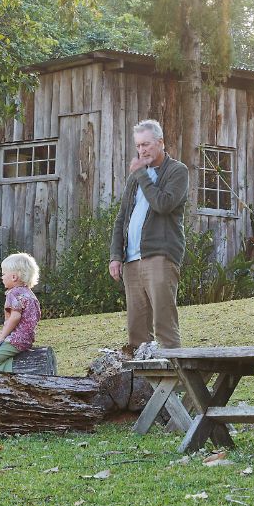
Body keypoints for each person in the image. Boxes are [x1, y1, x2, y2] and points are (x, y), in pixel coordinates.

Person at [109, 118, 188, 357]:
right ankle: (143, 391)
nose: (142, 150)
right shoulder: (136, 177)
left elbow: (163, 204)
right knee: (136, 331)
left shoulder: (177, 171)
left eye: (147, 145)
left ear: (161, 143)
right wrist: (115, 256)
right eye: (138, 146)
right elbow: (121, 218)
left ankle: (176, 385)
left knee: (164, 325)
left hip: (160, 256)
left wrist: (142, 175)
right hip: (131, 260)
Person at [0, 252, 41, 372]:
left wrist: (2, 337)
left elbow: (15, 317)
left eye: (3, 274)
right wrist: (2, 332)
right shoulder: (30, 294)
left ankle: (10, 377)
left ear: (14, 277)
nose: (2, 277)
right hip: (27, 340)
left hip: (15, 341)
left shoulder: (13, 293)